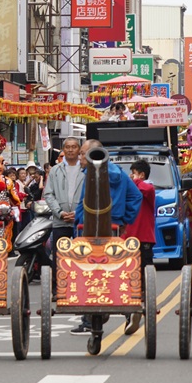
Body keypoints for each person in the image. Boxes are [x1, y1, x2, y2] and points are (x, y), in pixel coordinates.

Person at [70, 139, 143, 334]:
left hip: (90, 229)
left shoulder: (95, 173)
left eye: (83, 153)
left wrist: (77, 222)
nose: (80, 157)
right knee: (115, 269)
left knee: (88, 271)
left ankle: (88, 321)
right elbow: (136, 196)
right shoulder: (117, 173)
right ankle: (128, 311)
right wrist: (124, 219)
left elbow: (83, 203)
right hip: (113, 228)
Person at [43, 136, 85, 281]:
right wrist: (59, 213)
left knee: (83, 254)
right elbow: (48, 194)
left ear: (79, 150)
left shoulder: (86, 169)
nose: (70, 150)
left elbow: (91, 194)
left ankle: (81, 285)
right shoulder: (55, 170)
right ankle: (58, 287)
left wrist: (78, 213)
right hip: (60, 220)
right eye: (67, 147)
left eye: (74, 147)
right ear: (63, 150)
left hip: (80, 221)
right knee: (59, 255)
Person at [127, 159, 157, 273]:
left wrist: (135, 181)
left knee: (145, 266)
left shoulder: (148, 188)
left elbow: (148, 189)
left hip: (144, 236)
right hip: (129, 235)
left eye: (133, 173)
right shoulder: (131, 188)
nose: (131, 176)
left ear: (142, 175)